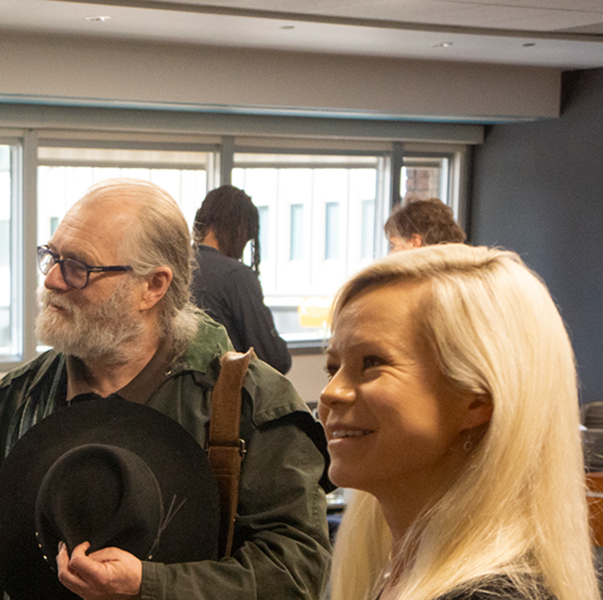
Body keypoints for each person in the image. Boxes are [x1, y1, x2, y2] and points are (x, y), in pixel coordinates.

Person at [0, 178, 331, 599]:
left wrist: (150, 587)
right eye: (50, 257)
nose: (50, 280)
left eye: (77, 267)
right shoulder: (17, 401)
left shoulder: (247, 404)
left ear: (152, 286)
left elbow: (295, 571)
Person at [320, 245, 596, 600]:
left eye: (371, 362)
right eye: (333, 367)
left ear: (478, 400)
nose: (331, 393)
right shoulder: (395, 571)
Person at [189, 185, 292, 374]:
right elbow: (272, 358)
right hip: (221, 396)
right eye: (247, 237)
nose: (244, 246)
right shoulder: (235, 275)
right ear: (240, 228)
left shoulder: (174, 267)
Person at [384, 197, 465, 252]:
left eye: (393, 246)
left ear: (414, 242)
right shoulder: (466, 272)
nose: (390, 254)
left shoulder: (420, 277)